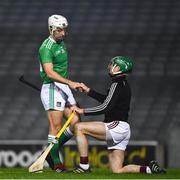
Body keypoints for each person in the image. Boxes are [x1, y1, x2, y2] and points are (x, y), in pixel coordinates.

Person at [71, 56, 166, 174]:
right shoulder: (122, 84)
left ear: (118, 68)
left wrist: (82, 111)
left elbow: (106, 107)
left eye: (112, 64)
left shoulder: (117, 84)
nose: (109, 66)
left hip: (116, 126)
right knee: (117, 170)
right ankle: (149, 169)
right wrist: (88, 91)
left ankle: (84, 166)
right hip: (123, 129)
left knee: (79, 128)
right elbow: (108, 100)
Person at [38, 14, 82, 172]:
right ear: (51, 30)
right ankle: (56, 162)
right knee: (55, 126)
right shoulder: (46, 47)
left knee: (75, 121)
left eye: (64, 30)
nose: (63, 33)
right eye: (59, 30)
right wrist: (70, 82)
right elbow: (49, 73)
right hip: (51, 87)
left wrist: (68, 86)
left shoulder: (61, 42)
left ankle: (50, 151)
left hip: (64, 87)